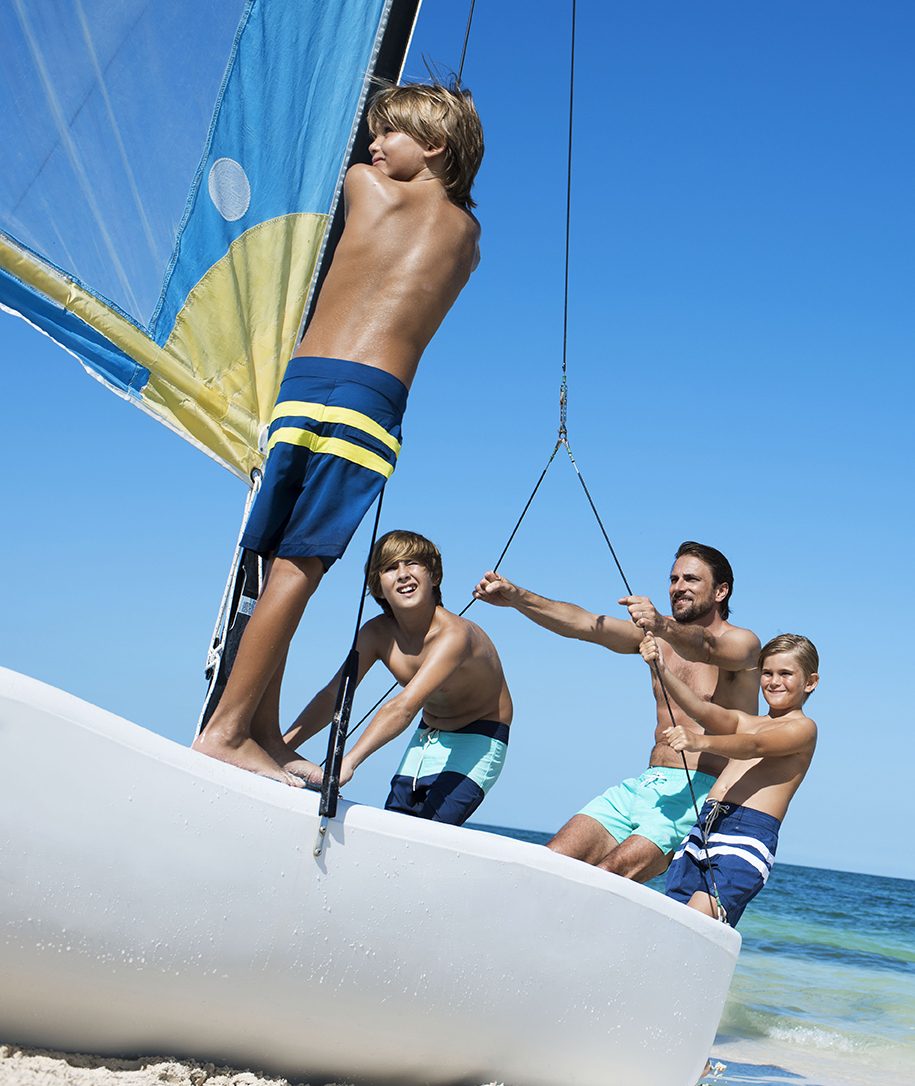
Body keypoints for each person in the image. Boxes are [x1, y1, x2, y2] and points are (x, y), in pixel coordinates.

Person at [194, 82, 485, 786]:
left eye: (388, 134)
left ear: (436, 146)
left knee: (274, 566)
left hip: (301, 388)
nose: (372, 147)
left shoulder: (360, 186)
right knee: (301, 568)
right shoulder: (467, 238)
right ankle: (229, 730)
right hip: (367, 401)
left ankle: (258, 729)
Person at [471, 542, 761, 880]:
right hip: (646, 783)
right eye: (673, 579)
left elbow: (707, 648)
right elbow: (584, 624)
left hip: (701, 789)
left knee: (607, 876)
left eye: (691, 579)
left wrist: (662, 626)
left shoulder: (744, 643)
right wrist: (518, 596)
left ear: (720, 591)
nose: (678, 587)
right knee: (550, 862)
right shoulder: (658, 633)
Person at [283, 531, 513, 825]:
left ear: (434, 575)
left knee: (427, 831)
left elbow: (404, 706)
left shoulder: (456, 635)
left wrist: (348, 762)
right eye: (390, 567)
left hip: (480, 738)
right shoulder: (375, 633)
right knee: (395, 823)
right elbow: (333, 696)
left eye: (413, 563)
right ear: (377, 586)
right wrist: (281, 747)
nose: (403, 574)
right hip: (428, 735)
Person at [640, 631, 818, 926]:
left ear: (810, 682)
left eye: (785, 674)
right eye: (768, 673)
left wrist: (701, 743)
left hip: (747, 833)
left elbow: (754, 747)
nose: (774, 681)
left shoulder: (804, 729)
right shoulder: (747, 722)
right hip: (705, 826)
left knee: (691, 921)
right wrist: (661, 668)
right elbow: (700, 709)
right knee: (671, 922)